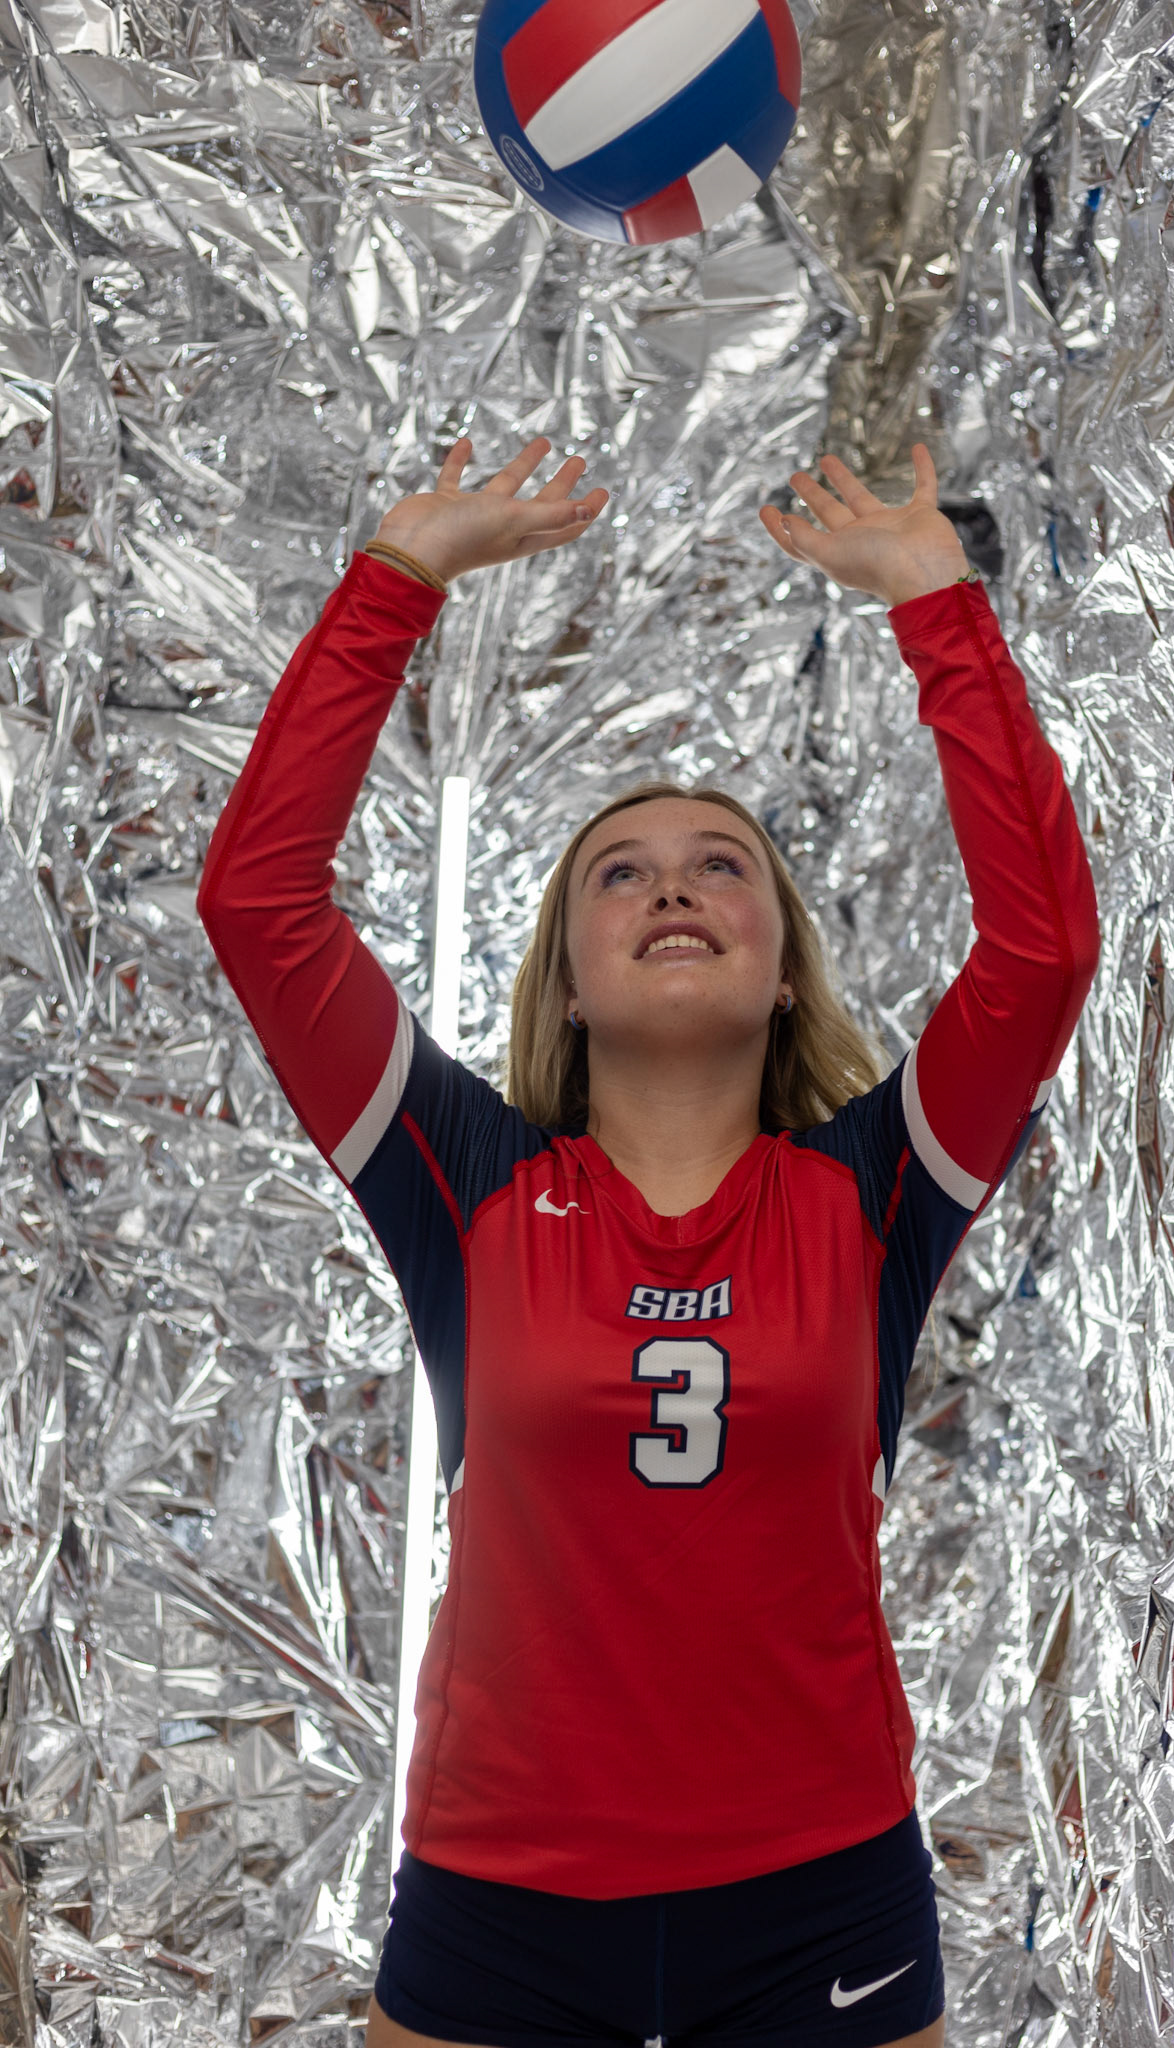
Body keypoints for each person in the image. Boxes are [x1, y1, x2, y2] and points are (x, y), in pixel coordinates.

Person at [197, 434, 1099, 2048]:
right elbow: (262, 908)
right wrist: (394, 578)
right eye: (619, 874)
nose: (670, 888)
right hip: (502, 1892)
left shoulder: (880, 1188)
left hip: (819, 1886)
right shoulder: (460, 1182)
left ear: (779, 970)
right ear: (565, 979)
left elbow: (1037, 954)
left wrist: (934, 607)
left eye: (719, 867)